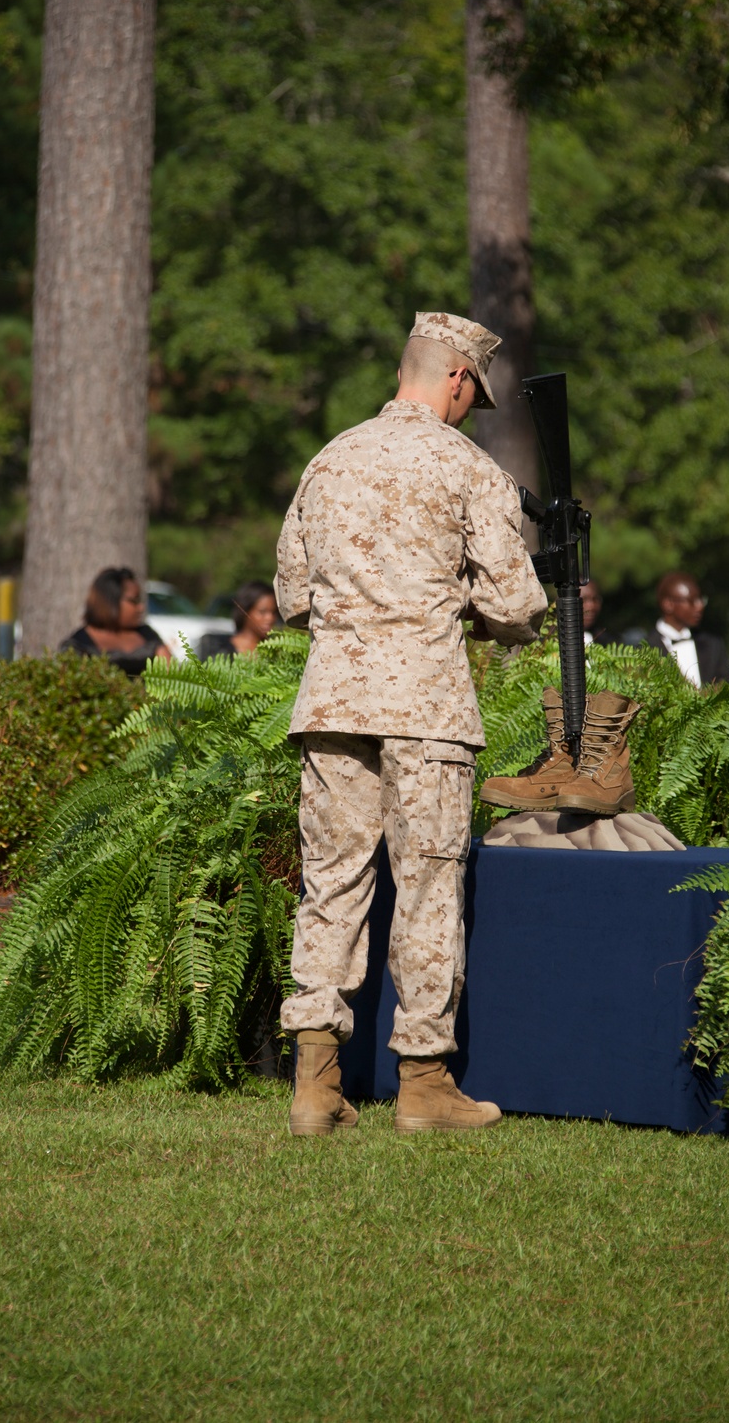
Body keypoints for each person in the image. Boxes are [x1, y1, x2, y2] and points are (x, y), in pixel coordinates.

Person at [275, 310, 546, 1137]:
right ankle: (425, 1086)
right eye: (475, 395)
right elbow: (515, 605)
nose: (472, 410)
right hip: (424, 709)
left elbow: (290, 595)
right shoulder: (468, 468)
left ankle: (314, 1088)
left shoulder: (330, 460)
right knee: (427, 888)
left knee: (332, 883)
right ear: (458, 378)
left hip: (331, 705)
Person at [59, 567, 170, 677]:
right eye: (134, 601)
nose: (140, 607)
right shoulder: (78, 644)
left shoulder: (147, 635)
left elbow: (171, 675)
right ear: (110, 602)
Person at [645, 572, 729, 686]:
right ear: (668, 604)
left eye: (701, 599)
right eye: (692, 601)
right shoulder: (643, 650)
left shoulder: (713, 645)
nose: (700, 606)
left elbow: (728, 686)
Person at [196, 580, 278, 661]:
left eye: (274, 612)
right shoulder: (216, 648)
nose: (270, 618)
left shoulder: (277, 652)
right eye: (262, 612)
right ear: (244, 611)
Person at [580, 579, 612, 647]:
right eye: (584, 599)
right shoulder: (553, 637)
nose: (591, 606)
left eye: (595, 599)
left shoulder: (607, 640)